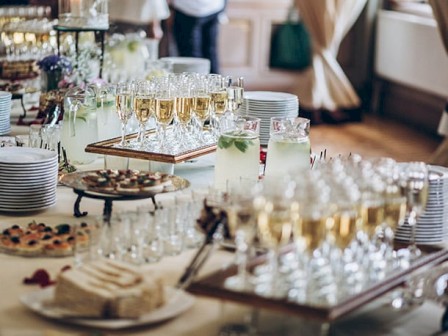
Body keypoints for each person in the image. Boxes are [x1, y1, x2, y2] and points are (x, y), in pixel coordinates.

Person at [171, 0, 226, 74]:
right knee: (209, 51)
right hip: (213, 7)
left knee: (191, 56)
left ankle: (200, 83)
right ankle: (215, 83)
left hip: (189, 8)